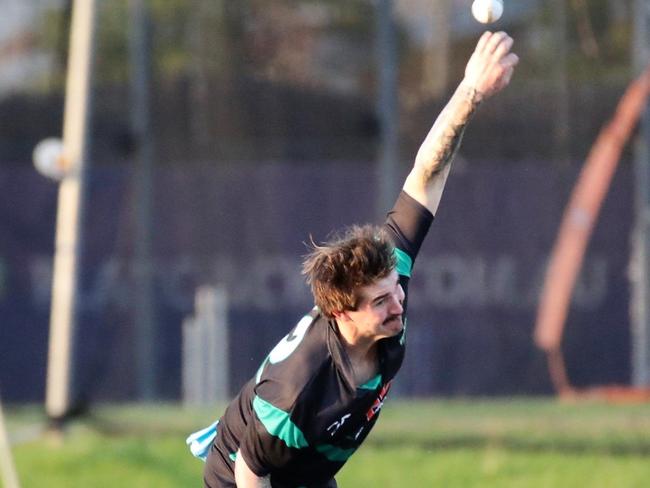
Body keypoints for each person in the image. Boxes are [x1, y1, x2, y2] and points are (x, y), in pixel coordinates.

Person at [187, 31, 519, 488]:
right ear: (341, 313)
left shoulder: (389, 271)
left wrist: (472, 92)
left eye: (394, 290)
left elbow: (427, 174)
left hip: (310, 472)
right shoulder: (298, 388)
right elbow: (250, 471)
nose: (398, 303)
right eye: (380, 301)